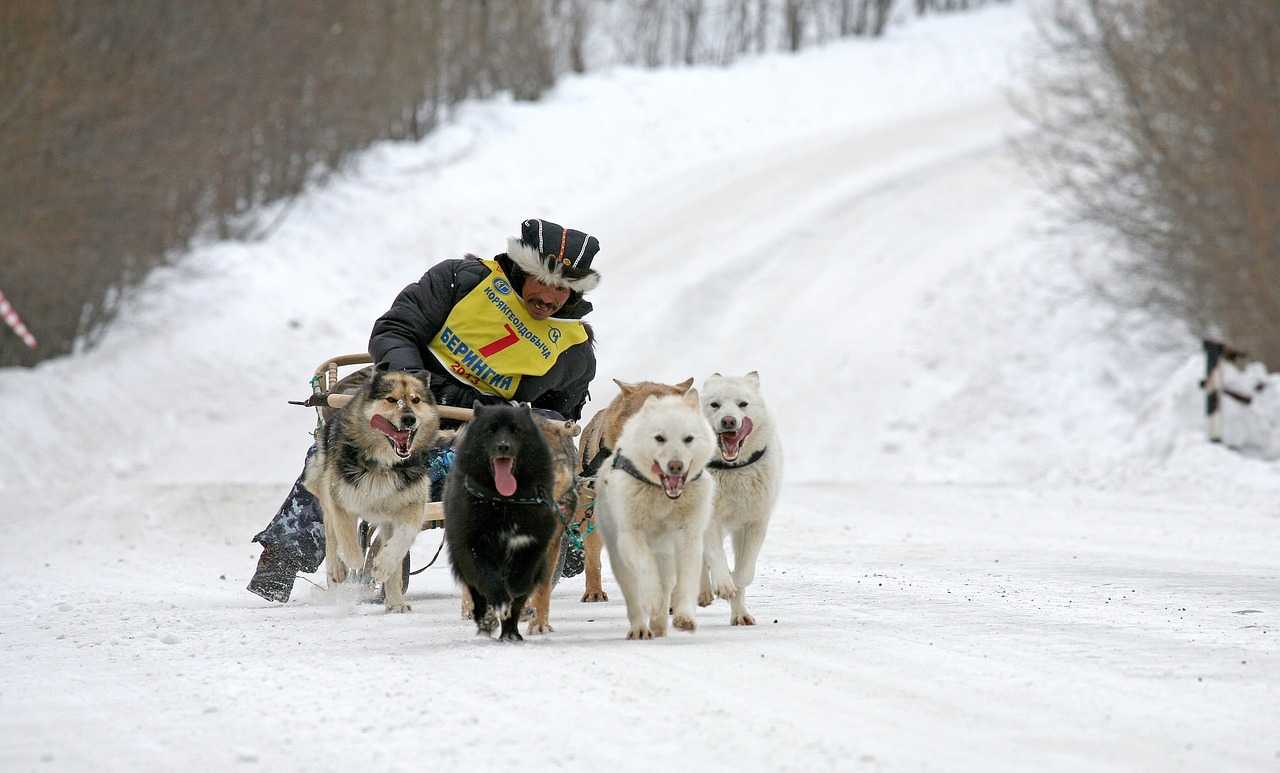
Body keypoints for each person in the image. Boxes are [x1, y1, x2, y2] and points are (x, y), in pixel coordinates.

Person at [247, 218, 603, 602]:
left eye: (564, 289)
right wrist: (415, 387)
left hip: (477, 433)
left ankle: (547, 552)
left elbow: (559, 420)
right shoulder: (460, 280)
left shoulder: (573, 349)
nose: (550, 297)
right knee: (337, 454)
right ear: (521, 268)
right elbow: (395, 329)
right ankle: (282, 558)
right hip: (408, 405)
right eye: (543, 280)